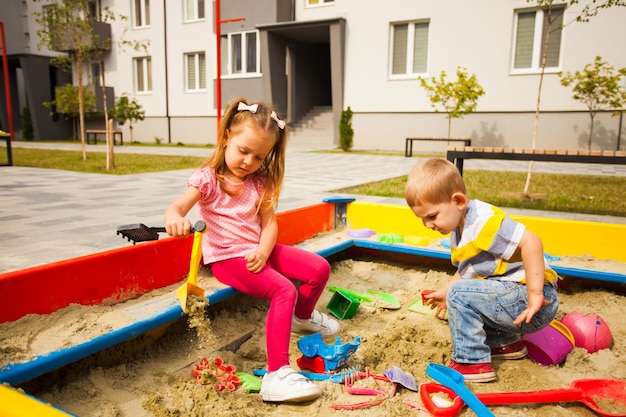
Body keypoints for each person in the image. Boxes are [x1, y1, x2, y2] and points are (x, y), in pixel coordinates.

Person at [164, 97, 339, 402]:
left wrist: (262, 251)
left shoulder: (261, 182)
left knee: (319, 268)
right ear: (227, 136)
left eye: (259, 157)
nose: (249, 162)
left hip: (257, 251)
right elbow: (177, 206)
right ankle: (277, 374)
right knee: (284, 289)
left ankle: (301, 317)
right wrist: (175, 218)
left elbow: (270, 225)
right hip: (227, 257)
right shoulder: (208, 179)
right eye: (243, 151)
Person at [405, 158, 559, 382]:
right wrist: (446, 291)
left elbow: (532, 242)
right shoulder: (460, 229)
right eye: (422, 220)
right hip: (515, 298)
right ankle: (504, 344)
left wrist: (535, 294)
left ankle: (471, 362)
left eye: (432, 216)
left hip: (533, 300)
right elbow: (468, 272)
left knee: (461, 295)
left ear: (458, 200)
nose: (428, 225)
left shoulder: (482, 221)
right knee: (461, 293)